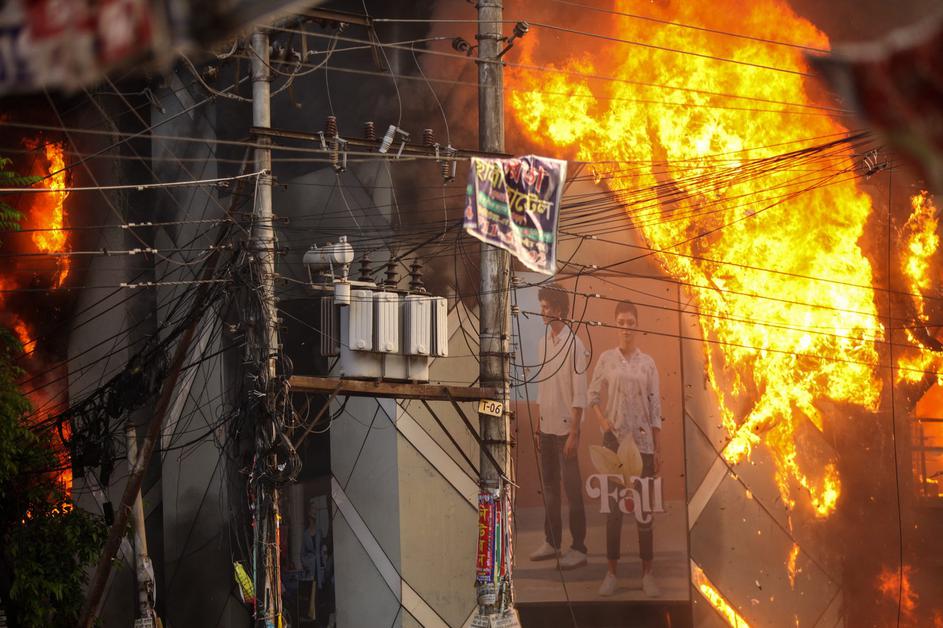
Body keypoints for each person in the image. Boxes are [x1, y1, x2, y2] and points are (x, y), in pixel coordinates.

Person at [588, 300, 662, 597]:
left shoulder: (648, 364)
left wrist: (657, 448)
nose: (626, 328)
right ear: (615, 325)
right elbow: (592, 395)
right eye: (622, 323)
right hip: (614, 445)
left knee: (644, 512)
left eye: (631, 323)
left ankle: (648, 575)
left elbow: (655, 407)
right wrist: (603, 422)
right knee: (614, 513)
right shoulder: (607, 360)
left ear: (637, 325)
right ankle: (611, 574)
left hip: (643, 446)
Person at [528, 284, 589, 570]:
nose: (542, 312)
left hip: (567, 431)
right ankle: (552, 542)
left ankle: (579, 548)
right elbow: (543, 387)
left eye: (547, 307)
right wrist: (539, 424)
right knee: (550, 488)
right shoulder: (543, 344)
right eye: (541, 307)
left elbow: (580, 393)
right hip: (547, 427)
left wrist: (575, 433)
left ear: (560, 310)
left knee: (572, 491)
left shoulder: (575, 345)